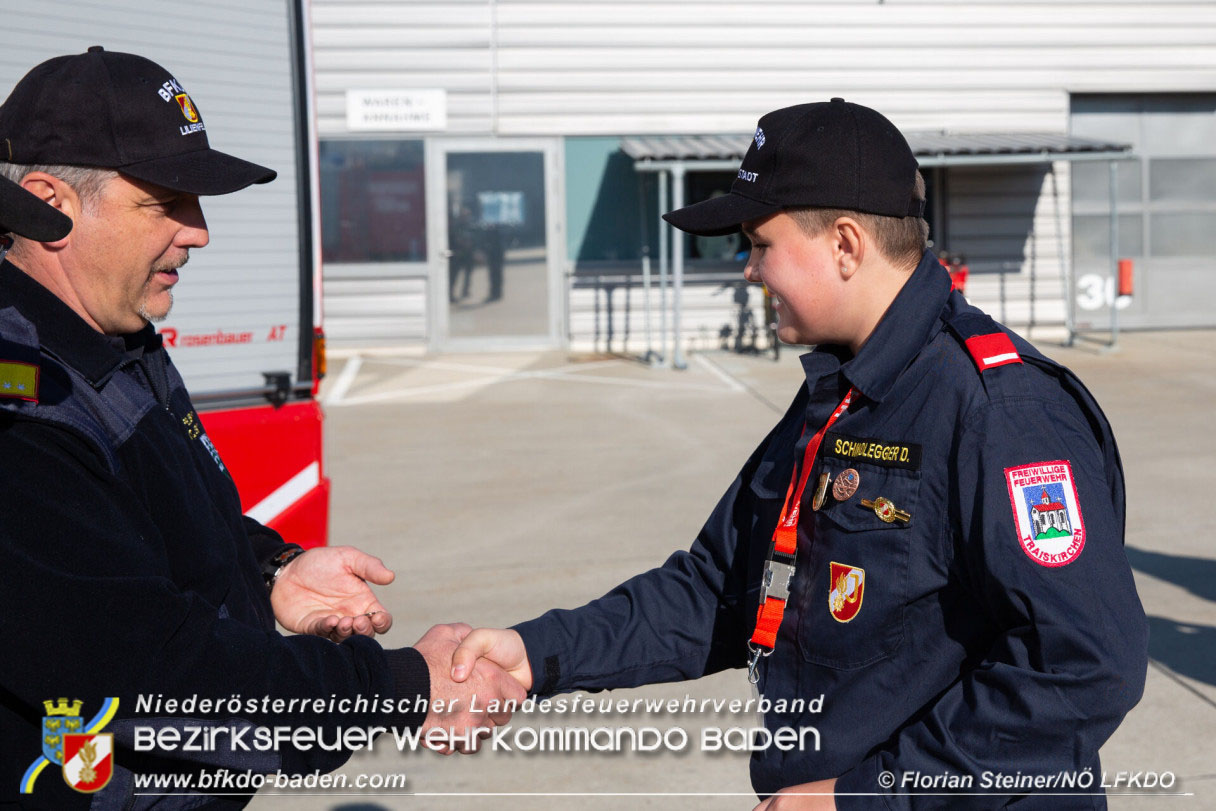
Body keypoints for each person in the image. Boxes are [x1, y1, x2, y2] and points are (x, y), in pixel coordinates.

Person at [450, 99, 1149, 809]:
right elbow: (715, 588)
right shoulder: (840, 390)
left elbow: (1084, 664)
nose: (749, 271)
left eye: (760, 244)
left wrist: (865, 796)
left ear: (845, 244)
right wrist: (536, 653)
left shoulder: (1001, 409)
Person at [0, 48, 522, 809]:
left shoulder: (116, 339)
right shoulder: (20, 409)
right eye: (165, 202)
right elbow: (154, 675)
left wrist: (271, 567)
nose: (199, 232)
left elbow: (147, 519)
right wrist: (402, 682)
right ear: (50, 203)